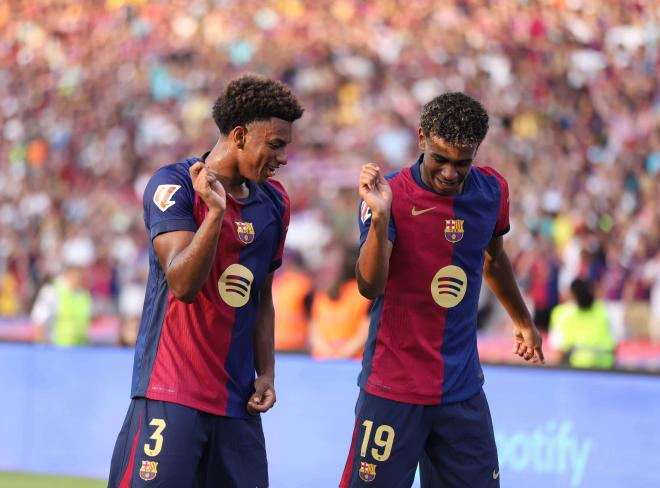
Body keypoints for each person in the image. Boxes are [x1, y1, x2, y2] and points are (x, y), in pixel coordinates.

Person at [108, 74, 303, 487]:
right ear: (238, 136)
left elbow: (262, 296)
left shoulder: (275, 202)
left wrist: (266, 372)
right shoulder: (174, 184)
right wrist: (215, 215)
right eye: (276, 144)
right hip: (171, 394)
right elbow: (182, 284)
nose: (284, 157)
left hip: (238, 407)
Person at [340, 92, 544, 487]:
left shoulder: (492, 192)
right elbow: (369, 286)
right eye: (441, 159)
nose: (450, 173)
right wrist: (381, 219)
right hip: (393, 386)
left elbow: (494, 258)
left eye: (461, 163)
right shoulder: (389, 194)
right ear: (421, 139)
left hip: (461, 388)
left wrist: (522, 320)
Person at [309, 246, 370, 359]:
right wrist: (336, 354)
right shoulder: (320, 297)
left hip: (337, 362)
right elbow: (315, 331)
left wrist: (335, 354)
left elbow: (364, 333)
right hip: (339, 363)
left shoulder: (360, 294)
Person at [549, 278, 616, 368]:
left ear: (571, 294)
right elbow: (615, 345)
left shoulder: (561, 313)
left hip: (575, 369)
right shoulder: (605, 310)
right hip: (605, 367)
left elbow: (558, 351)